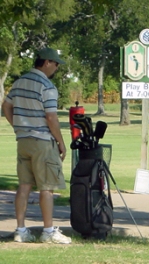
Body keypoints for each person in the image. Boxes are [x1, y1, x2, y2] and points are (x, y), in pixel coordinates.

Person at [1, 47, 71, 244]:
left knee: (24, 186)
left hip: (23, 140)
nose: (56, 68)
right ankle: (48, 231)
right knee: (47, 187)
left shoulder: (19, 82)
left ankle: (21, 230)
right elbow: (51, 117)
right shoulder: (47, 86)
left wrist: (17, 125)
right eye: (56, 64)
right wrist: (61, 142)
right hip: (42, 141)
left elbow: (6, 105)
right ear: (47, 62)